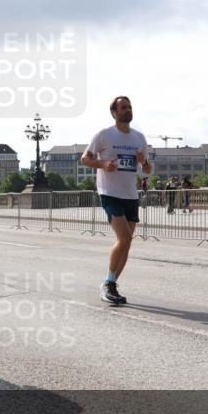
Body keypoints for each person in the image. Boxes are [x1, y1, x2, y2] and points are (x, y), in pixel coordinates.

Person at [81, 95, 151, 305]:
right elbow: (85, 158)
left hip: (130, 194)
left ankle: (110, 285)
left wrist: (144, 161)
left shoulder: (139, 137)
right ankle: (109, 283)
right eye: (123, 107)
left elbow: (147, 171)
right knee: (124, 239)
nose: (127, 110)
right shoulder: (104, 135)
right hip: (110, 192)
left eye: (129, 106)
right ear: (114, 112)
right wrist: (104, 165)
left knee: (127, 244)